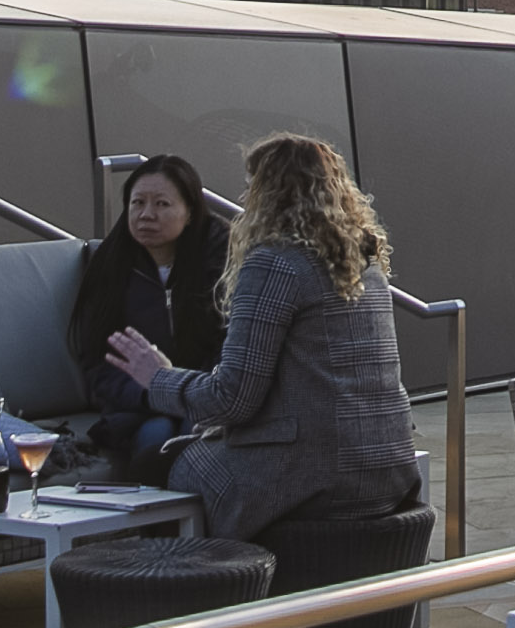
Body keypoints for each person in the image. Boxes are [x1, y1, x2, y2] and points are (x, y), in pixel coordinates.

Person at [109, 133, 425, 557]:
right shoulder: (364, 266)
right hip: (387, 467)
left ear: (266, 194)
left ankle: (194, 598)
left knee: (152, 464)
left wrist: (159, 377)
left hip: (314, 474)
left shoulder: (274, 263)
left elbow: (233, 399)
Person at [68, 150, 229, 479]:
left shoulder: (225, 262)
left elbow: (233, 348)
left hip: (205, 399)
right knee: (156, 435)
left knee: (193, 430)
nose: (146, 215)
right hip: (138, 407)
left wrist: (184, 391)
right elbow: (98, 363)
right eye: (137, 203)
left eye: (162, 204)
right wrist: (152, 393)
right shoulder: (110, 266)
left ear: (190, 212)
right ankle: (160, 530)